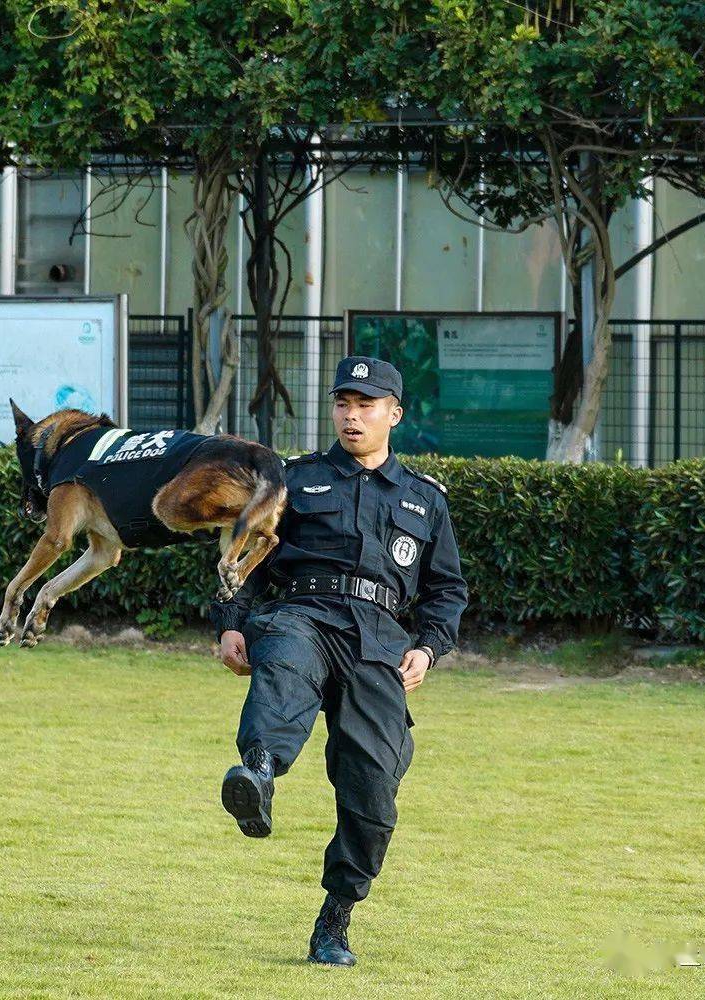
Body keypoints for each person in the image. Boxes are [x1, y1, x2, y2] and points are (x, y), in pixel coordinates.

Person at [211, 355, 468, 967]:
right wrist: (230, 624)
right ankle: (260, 773)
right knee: (287, 669)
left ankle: (336, 918)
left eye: (367, 405)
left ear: (394, 414)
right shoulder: (293, 480)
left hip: (378, 640)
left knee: (375, 790)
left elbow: (446, 590)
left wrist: (428, 648)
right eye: (343, 404)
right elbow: (246, 554)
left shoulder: (424, 499)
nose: (352, 416)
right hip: (303, 611)